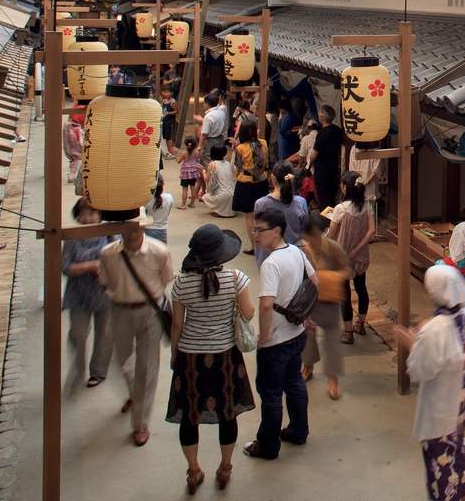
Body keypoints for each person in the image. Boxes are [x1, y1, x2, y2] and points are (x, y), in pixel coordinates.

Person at [168, 224, 257, 494]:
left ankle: (193, 470)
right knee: (228, 414)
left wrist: (174, 354)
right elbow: (249, 313)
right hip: (225, 357)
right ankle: (225, 467)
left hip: (191, 358)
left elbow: (177, 325)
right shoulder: (236, 278)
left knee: (189, 417)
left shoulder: (182, 283)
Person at [245, 210, 315, 460]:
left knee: (271, 393)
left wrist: (264, 337)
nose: (254, 234)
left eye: (259, 230)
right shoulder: (296, 252)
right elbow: (314, 280)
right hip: (296, 333)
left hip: (276, 341)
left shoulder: (271, 263)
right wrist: (306, 312)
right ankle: (298, 430)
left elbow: (266, 304)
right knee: (294, 383)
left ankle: (268, 445)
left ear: (276, 231)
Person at [404, 265, 465, 501]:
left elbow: (418, 371)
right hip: (460, 402)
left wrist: (413, 345)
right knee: (458, 456)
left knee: (441, 470)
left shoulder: (435, 330)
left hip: (438, 410)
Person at [98, 225, 175, 446]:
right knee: (123, 361)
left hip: (150, 311)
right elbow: (105, 281)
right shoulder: (108, 254)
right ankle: (135, 392)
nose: (132, 233)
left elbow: (165, 279)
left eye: (136, 228)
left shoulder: (159, 251)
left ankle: (140, 423)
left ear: (143, 228)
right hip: (120, 309)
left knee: (146, 366)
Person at [62, 198, 113, 393]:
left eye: (92, 213)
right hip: (79, 293)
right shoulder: (73, 238)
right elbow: (65, 266)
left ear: (100, 215)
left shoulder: (108, 235)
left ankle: (98, 371)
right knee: (78, 334)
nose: (88, 218)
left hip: (104, 293)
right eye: (84, 214)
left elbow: (118, 258)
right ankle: (78, 369)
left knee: (105, 335)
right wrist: (90, 266)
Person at [299, 213, 351, 400]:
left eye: (313, 234)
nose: (311, 239)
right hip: (310, 300)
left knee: (332, 339)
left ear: (321, 233)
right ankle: (308, 365)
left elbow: (346, 269)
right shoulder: (302, 251)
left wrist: (332, 278)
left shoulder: (334, 248)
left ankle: (333, 378)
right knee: (307, 336)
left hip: (330, 299)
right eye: (307, 235)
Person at [328, 172, 374, 342]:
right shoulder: (366, 206)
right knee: (362, 288)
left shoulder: (341, 209)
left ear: (345, 187)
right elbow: (372, 231)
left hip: (342, 255)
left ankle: (348, 333)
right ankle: (360, 324)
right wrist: (358, 249)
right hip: (361, 256)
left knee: (345, 293)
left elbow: (332, 235)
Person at [253, 167, 309, 261]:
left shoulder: (261, 204)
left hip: (268, 257)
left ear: (272, 178)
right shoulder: (301, 202)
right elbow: (305, 231)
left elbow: (258, 232)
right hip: (295, 257)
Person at [232, 120, 269, 256]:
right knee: (261, 213)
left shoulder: (241, 148)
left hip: (246, 182)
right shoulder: (263, 143)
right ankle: (264, 242)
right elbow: (266, 161)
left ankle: (254, 245)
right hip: (262, 180)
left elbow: (238, 166)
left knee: (249, 215)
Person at [311, 105, 345, 209]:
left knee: (323, 198)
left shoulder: (321, 134)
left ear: (322, 117)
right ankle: (332, 219)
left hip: (321, 170)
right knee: (332, 195)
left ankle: (328, 221)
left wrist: (310, 163)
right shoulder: (338, 130)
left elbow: (314, 154)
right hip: (334, 168)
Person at [202, 142, 235, 218]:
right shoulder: (228, 163)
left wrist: (202, 172)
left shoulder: (213, 164)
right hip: (233, 196)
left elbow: (208, 182)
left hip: (221, 197)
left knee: (205, 197)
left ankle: (219, 210)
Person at [198, 90, 229, 168]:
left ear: (207, 104)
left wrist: (199, 146)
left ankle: (210, 178)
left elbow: (204, 134)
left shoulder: (208, 116)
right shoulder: (221, 112)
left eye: (204, 103)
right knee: (219, 160)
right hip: (220, 138)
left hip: (211, 141)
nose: (203, 105)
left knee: (208, 160)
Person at [144, 176, 174, 243]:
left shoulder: (146, 200)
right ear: (163, 184)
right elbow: (167, 214)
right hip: (162, 231)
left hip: (147, 230)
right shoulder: (169, 197)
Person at [178, 137, 204, 209]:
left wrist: (176, 155)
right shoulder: (197, 152)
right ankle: (192, 204)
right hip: (194, 172)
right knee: (193, 188)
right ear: (195, 144)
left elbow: (178, 161)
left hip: (185, 174)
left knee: (185, 189)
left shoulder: (184, 153)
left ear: (186, 144)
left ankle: (183, 205)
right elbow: (198, 159)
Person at [64, 112, 85, 194]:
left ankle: (72, 175)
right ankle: (72, 175)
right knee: (78, 155)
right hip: (76, 130)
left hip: (70, 127)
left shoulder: (77, 105)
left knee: (75, 155)